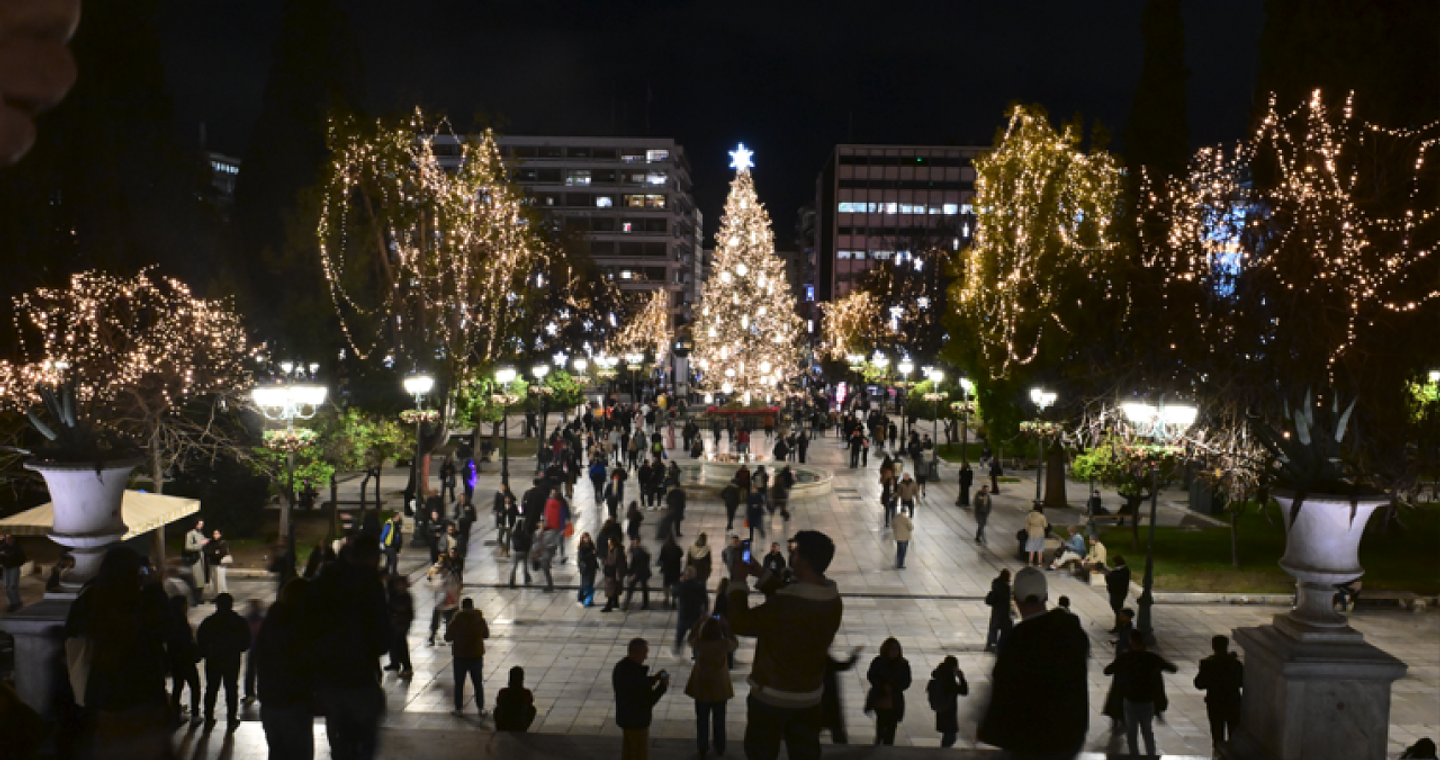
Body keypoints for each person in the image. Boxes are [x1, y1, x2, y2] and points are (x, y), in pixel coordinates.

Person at [728, 529, 843, 760]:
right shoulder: (832, 599)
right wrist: (761, 574)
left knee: (762, 752)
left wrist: (738, 581)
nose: (791, 556)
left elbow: (739, 622)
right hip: (809, 696)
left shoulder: (787, 604)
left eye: (795, 552)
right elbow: (792, 598)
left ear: (803, 561)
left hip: (772, 696)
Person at [977, 566, 1089, 760]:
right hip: (1068, 737)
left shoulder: (1015, 641)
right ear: (1045, 596)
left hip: (1032, 741)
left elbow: (1005, 692)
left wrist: (987, 730)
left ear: (1016, 599)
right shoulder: (1071, 631)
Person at [309, 534, 391, 760]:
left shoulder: (325, 579)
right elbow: (382, 637)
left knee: (340, 738)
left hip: (328, 677)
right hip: (359, 675)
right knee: (365, 741)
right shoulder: (369, 585)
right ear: (372, 558)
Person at [255, 578, 317, 760]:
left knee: (277, 752)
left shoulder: (270, 623)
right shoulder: (300, 625)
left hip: (270, 700)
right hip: (294, 701)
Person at [1103, 629, 1177, 757]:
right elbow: (1173, 669)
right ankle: (1151, 755)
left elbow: (1107, 671)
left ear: (1131, 642)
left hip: (1130, 698)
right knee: (1147, 730)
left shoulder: (1126, 658)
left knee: (1132, 731)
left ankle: (1134, 755)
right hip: (1147, 700)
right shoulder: (1152, 658)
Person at [196, 592, 251, 732]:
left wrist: (206, 652)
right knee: (231, 688)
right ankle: (231, 718)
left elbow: (201, 640)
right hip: (231, 658)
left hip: (214, 658)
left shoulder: (209, 622)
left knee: (211, 688)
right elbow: (246, 642)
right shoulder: (239, 621)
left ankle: (208, 717)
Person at [686, 617, 739, 760]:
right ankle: (720, 747)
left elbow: (690, 638)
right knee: (719, 719)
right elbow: (735, 643)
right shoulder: (723, 644)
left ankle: (702, 747)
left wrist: (698, 622)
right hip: (719, 688)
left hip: (702, 687)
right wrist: (727, 628)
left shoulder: (700, 644)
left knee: (702, 719)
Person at [613, 638, 670, 760]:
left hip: (625, 718)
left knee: (628, 752)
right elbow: (648, 700)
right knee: (639, 754)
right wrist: (662, 686)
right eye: (644, 653)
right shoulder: (635, 674)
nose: (646, 657)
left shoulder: (621, 667)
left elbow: (638, 684)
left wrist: (654, 679)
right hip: (637, 721)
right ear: (636, 653)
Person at [1194, 635, 1244, 750]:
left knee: (1217, 735)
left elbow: (1199, 684)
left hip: (1215, 703)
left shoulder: (1208, 664)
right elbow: (1242, 682)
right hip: (1233, 702)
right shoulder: (1235, 663)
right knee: (1234, 734)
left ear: (1213, 646)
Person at [445, 597, 490, 718]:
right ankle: (481, 708)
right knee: (477, 683)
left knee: (459, 683)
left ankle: (458, 709)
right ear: (472, 606)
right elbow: (486, 635)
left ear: (462, 607)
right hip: (476, 655)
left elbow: (447, 637)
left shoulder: (457, 619)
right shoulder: (479, 619)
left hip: (460, 655)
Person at [865, 637, 912, 745]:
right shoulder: (878, 661)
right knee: (881, 724)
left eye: (896, 649)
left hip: (894, 700)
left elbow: (906, 681)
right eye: (891, 649)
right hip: (880, 698)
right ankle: (879, 742)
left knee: (891, 728)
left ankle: (887, 748)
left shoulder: (903, 664)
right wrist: (882, 685)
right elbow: (871, 675)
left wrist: (895, 687)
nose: (894, 652)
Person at [165, 594, 202, 725]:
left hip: (175, 660)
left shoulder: (171, 620)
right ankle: (195, 714)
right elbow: (186, 641)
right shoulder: (181, 622)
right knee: (194, 686)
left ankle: (174, 713)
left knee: (178, 686)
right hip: (186, 659)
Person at [820, 647, 862, 744]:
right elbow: (843, 666)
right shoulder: (824, 658)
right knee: (835, 727)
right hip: (829, 698)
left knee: (815, 726)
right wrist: (854, 655)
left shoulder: (816, 658)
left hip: (818, 698)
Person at [926, 655, 969, 748]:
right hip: (949, 712)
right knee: (950, 737)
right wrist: (961, 678)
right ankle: (942, 754)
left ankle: (943, 752)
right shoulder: (949, 679)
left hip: (941, 710)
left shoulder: (939, 675)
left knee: (948, 736)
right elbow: (964, 691)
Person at [672, 566, 709, 652]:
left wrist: (680, 582)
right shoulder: (700, 585)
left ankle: (677, 649)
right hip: (696, 614)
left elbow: (674, 593)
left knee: (680, 634)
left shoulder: (682, 586)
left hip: (684, 614)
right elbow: (705, 599)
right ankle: (695, 654)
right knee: (695, 636)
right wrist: (705, 611)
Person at [385, 575, 415, 677]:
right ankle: (395, 663)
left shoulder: (405, 596)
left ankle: (407, 666)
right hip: (395, 623)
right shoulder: (394, 594)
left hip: (401, 624)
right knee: (393, 644)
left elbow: (403, 609)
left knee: (401, 644)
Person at [428, 555, 462, 644]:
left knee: (449, 619)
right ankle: (432, 635)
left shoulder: (450, 576)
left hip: (449, 602)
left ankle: (449, 636)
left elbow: (454, 588)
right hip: (440, 602)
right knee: (436, 619)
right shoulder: (439, 576)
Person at [494, 666, 537, 732]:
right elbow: (529, 703)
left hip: (504, 724)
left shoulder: (503, 692)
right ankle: (523, 728)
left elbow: (498, 703)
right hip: (519, 724)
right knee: (532, 709)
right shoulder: (526, 693)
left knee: (497, 709)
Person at [242, 598, 266, 704]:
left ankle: (250, 693)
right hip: (261, 648)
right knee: (260, 671)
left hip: (253, 647)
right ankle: (260, 693)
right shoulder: (263, 619)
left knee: (251, 671)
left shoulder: (248, 619)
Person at [984, 569, 1012, 653]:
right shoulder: (1006, 587)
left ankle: (991, 643)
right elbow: (1007, 598)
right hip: (1004, 611)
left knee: (993, 627)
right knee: (1006, 629)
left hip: (996, 610)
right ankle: (1003, 644)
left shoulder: (995, 583)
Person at [625, 537, 653, 611]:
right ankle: (645, 603)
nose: (632, 542)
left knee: (633, 587)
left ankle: (627, 603)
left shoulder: (639, 551)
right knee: (643, 587)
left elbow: (640, 564)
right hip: (641, 572)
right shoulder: (636, 549)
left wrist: (634, 574)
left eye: (633, 541)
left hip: (640, 572)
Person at [602, 535, 628, 613]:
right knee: (614, 588)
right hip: (613, 572)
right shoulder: (612, 549)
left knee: (611, 589)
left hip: (614, 572)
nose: (608, 542)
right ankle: (615, 603)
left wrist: (605, 561)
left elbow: (614, 561)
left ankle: (608, 605)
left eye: (609, 541)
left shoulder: (616, 550)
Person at [185, 520, 209, 604]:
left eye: (202, 524)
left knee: (201, 580)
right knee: (196, 579)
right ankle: (195, 599)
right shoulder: (191, 534)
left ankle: (199, 598)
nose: (201, 526)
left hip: (201, 558)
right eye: (199, 524)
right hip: (195, 559)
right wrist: (200, 544)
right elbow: (188, 546)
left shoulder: (200, 533)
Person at [658, 534, 684, 609]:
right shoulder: (677, 548)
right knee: (675, 586)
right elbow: (681, 554)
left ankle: (666, 599)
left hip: (667, 571)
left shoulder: (665, 548)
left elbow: (661, 558)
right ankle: (674, 600)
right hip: (675, 570)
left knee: (666, 586)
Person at [1, 533, 26, 611]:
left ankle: (16, 602)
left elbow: (22, 558)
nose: (7, 541)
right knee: (6, 586)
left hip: (14, 567)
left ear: (13, 539)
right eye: (6, 539)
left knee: (12, 586)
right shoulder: (3, 547)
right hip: (6, 568)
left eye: (9, 539)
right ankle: (11, 603)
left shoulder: (17, 548)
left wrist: (12, 559)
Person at [1106, 557, 1131, 632]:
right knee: (1116, 608)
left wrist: (1108, 576)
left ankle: (1119, 626)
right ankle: (1119, 625)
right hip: (1116, 592)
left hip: (1118, 593)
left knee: (1118, 609)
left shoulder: (1123, 571)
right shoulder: (1120, 570)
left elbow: (1115, 579)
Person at [205, 529, 232, 596]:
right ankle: (216, 596)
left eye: (217, 534)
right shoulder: (210, 542)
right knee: (214, 581)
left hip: (220, 565)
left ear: (220, 534)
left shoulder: (223, 542)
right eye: (214, 533)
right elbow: (208, 552)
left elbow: (223, 552)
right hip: (212, 564)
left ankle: (223, 595)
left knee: (220, 581)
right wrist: (215, 552)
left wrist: (215, 553)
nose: (215, 535)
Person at [577, 532, 600, 607]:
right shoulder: (581, 548)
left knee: (591, 584)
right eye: (585, 538)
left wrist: (596, 553)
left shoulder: (591, 545)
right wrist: (591, 553)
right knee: (583, 585)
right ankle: (580, 599)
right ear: (582, 539)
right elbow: (582, 558)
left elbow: (595, 554)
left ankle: (589, 599)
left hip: (592, 567)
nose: (587, 539)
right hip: (585, 568)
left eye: (588, 537)